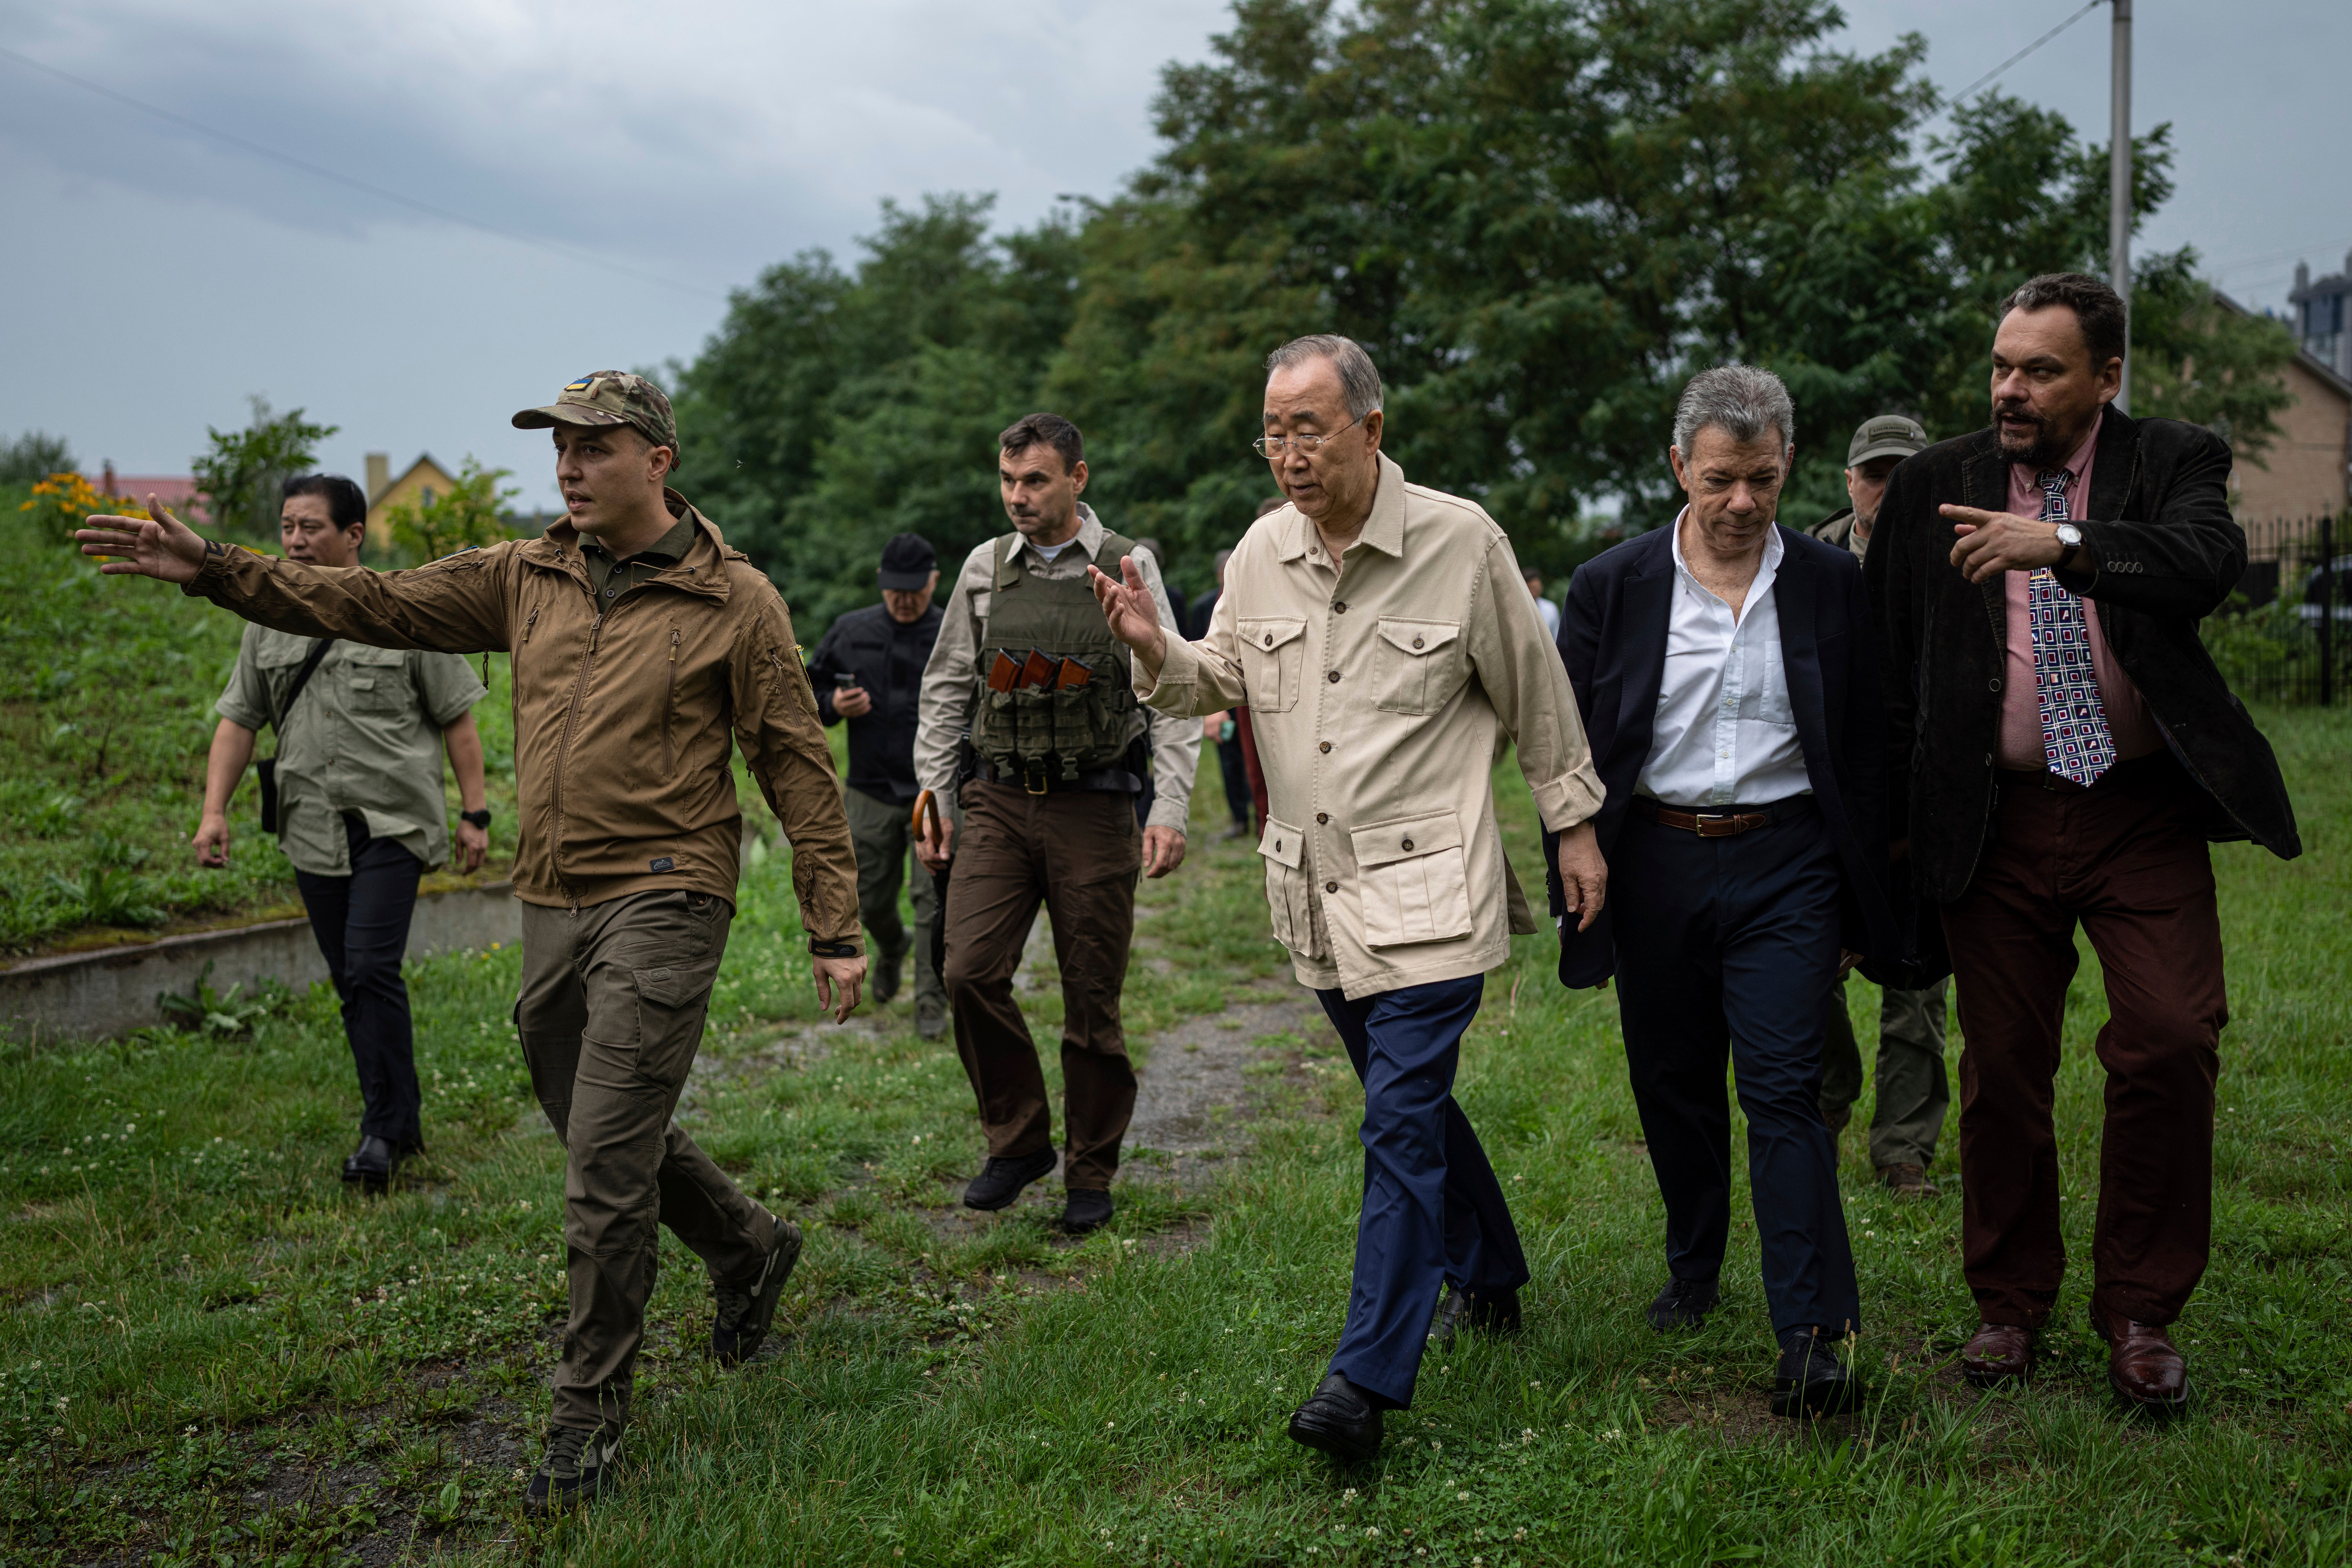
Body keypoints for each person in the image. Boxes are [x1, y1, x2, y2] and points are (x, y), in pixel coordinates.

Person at [79, 371, 866, 1513]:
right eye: (561, 448)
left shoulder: (733, 599)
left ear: (658, 459)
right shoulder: (523, 574)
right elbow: (369, 601)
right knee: (588, 1117)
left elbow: (793, 760)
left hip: (668, 889)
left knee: (604, 1162)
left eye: (594, 447)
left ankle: (585, 1416)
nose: (569, 467)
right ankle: (747, 1246)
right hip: (551, 892)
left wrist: (833, 922)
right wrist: (214, 568)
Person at [1093, 335, 1605, 1464]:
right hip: (1315, 892)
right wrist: (1151, 647)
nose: (1289, 454)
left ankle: (1363, 1378)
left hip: (1432, 889)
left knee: (1397, 1120)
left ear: (1370, 429)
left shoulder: (1460, 542)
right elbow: (1218, 676)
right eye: (1272, 433)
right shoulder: (1261, 549)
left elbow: (1537, 692)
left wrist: (1572, 824)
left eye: (1308, 429)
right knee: (1405, 1103)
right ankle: (1491, 1267)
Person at [1868, 273, 2300, 1414]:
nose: (2009, 389)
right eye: (2000, 365)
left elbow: (2202, 563)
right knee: (2003, 1064)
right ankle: (2009, 1302)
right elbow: (1887, 666)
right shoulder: (1931, 484)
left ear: (2105, 377)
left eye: (2040, 370)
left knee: (2168, 1036)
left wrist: (2058, 541)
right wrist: (1893, 837)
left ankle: (2141, 1310)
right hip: (1994, 814)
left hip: (2135, 808)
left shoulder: (2172, 458)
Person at [1549, 365, 1893, 1419]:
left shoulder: (1833, 585)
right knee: (1673, 1078)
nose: (1741, 502)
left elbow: (1869, 745)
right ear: (1677, 468)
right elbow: (1564, 739)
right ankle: (1693, 1263)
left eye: (1761, 479)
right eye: (1717, 481)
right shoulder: (1610, 585)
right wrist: (1575, 837)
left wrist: (1855, 895)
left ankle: (1812, 1332)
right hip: (1653, 859)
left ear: (1787, 464)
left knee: (1784, 1087)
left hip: (1787, 860)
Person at [912, 413, 1199, 1236]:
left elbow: (1172, 687)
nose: (1017, 496)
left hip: (1095, 804)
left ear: (1077, 478)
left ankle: (1090, 1169)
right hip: (997, 800)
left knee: (1090, 998)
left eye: (1034, 480)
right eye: (1008, 481)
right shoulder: (983, 568)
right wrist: (934, 798)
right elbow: (946, 687)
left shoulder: (1126, 563)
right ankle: (1018, 1142)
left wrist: (1169, 808)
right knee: (967, 970)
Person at [196, 473, 490, 1192]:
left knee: (368, 967)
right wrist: (214, 811)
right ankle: (399, 1118)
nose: (295, 540)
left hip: (393, 821)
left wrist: (475, 812)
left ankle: (380, 1132)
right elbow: (238, 721)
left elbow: (457, 718)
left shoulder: (404, 609)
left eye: (312, 527)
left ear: (353, 534)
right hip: (310, 823)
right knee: (351, 978)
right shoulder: (266, 622)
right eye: (287, 527)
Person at [1808, 413, 1952, 1197]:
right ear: (1848, 481)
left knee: (1915, 987)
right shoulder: (1803, 563)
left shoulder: (1960, 565)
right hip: (1821, 811)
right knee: (1806, 973)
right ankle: (1826, 1100)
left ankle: (1903, 1151)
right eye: (1873, 473)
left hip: (1921, 809)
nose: (1886, 489)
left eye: (1904, 474)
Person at [806, 532, 948, 1038]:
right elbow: (807, 689)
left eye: (914, 589)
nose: (904, 600)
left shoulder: (955, 631)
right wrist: (833, 705)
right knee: (866, 899)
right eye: (895, 590)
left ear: (934, 581)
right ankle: (893, 946)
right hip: (870, 789)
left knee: (933, 902)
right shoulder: (851, 630)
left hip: (935, 792)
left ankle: (930, 1002)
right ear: (880, 582)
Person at [1192, 545, 1256, 840]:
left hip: (1251, 695)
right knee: (1230, 760)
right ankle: (1239, 818)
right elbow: (1197, 650)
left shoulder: (1254, 597)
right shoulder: (1205, 606)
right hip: (1221, 695)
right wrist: (1213, 709)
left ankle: (1261, 817)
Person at [1522, 566, 1562, 641]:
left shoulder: (1551, 608)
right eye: (1532, 588)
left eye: (1537, 588)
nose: (1535, 591)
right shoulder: (1517, 609)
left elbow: (1556, 636)